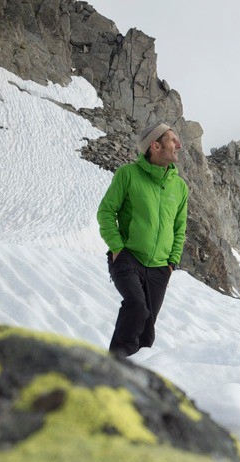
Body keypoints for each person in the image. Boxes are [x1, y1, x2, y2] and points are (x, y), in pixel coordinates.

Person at [97, 123, 188, 359]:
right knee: (136, 306)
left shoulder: (179, 187)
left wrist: (172, 262)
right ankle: (114, 368)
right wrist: (117, 247)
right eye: (172, 140)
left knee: (146, 334)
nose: (178, 144)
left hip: (160, 267)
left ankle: (135, 381)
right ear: (155, 146)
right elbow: (106, 212)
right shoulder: (128, 174)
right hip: (129, 258)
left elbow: (179, 227)